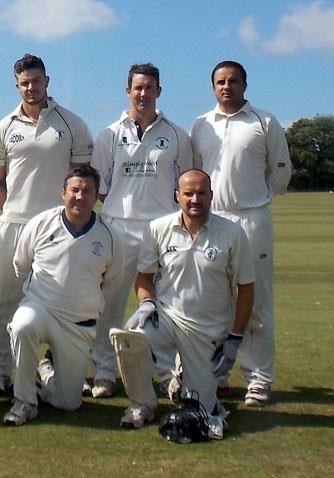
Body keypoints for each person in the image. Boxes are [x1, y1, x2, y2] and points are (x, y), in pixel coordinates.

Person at [110, 169, 255, 439]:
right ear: (177, 195)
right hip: (165, 317)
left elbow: (246, 288)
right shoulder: (157, 228)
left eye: (201, 193)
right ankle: (141, 404)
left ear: (211, 196)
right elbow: (144, 276)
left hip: (207, 329)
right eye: (188, 193)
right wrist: (147, 303)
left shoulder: (233, 233)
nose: (195, 199)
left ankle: (184, 380)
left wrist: (234, 337)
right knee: (128, 340)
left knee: (201, 407)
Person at [0, 53, 94, 395]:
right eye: (24, 83)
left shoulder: (72, 124)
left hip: (59, 229)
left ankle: (58, 370)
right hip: (15, 225)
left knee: (62, 298)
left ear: (47, 81)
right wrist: (13, 210)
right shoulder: (4, 128)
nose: (31, 88)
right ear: (17, 86)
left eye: (37, 81)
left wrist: (60, 218)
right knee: (5, 301)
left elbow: (80, 178)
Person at [90, 63, 195, 398]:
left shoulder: (177, 135)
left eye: (150, 87)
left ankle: (166, 374)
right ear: (128, 91)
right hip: (119, 226)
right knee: (110, 302)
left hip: (163, 229)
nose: (143, 93)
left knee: (164, 303)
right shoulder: (109, 134)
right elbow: (101, 186)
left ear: (159, 91)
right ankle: (105, 371)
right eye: (138, 87)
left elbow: (185, 184)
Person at [190, 60, 291, 406]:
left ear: (245, 84)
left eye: (234, 81)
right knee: (215, 301)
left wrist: (254, 200)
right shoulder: (201, 124)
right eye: (220, 81)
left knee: (257, 301)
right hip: (213, 221)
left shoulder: (265, 121)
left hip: (251, 219)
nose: (227, 86)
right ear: (213, 86)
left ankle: (259, 379)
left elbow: (280, 173)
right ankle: (216, 375)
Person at [4, 165, 123, 426]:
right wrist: (38, 296)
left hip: (77, 324)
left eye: (87, 191)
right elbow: (21, 265)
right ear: (63, 193)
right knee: (22, 325)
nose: (80, 197)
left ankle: (45, 372)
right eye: (75, 190)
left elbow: (110, 282)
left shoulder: (110, 236)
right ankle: (24, 401)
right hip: (41, 308)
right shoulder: (40, 223)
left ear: (96, 196)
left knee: (68, 404)